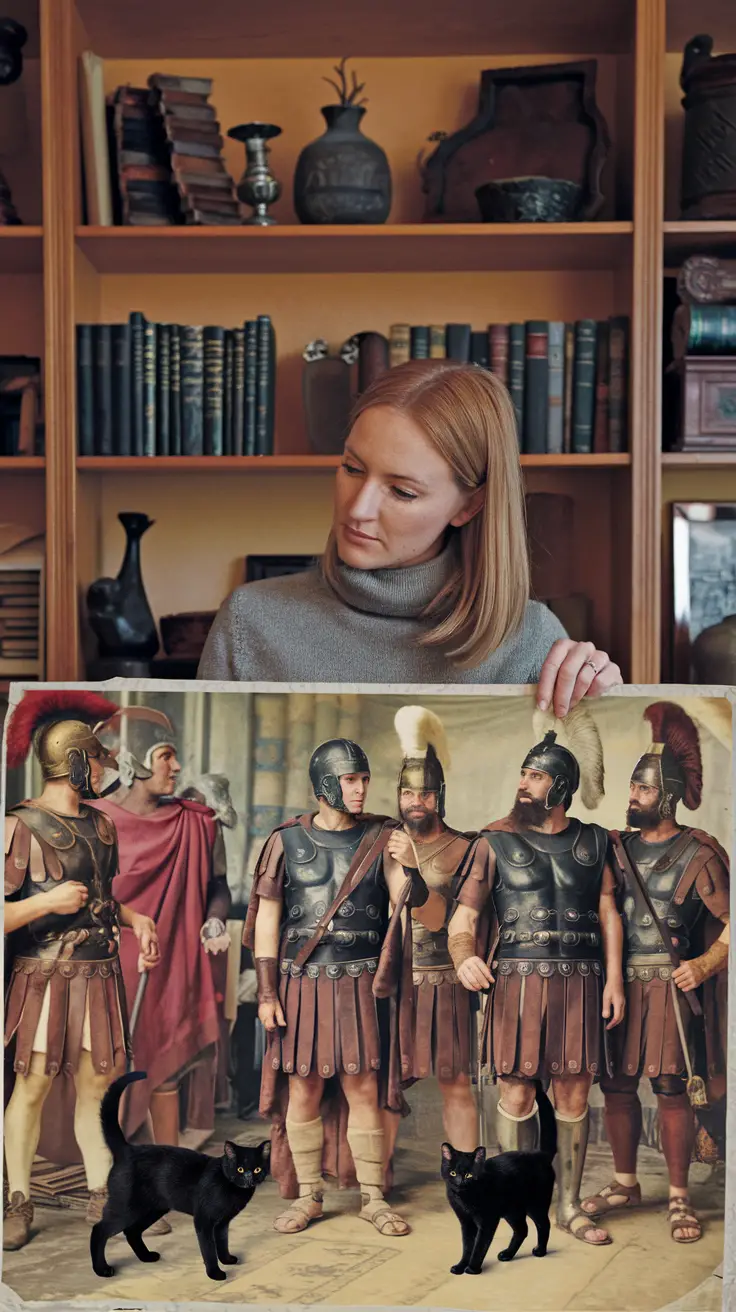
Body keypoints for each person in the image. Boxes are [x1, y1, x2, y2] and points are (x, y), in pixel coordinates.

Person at [198, 359, 622, 716]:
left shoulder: (532, 641)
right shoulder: (249, 621)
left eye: (402, 491)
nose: (357, 508)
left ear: (469, 507)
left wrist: (611, 705)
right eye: (352, 468)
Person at [243, 737, 445, 1238]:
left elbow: (410, 901)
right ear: (325, 784)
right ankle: (310, 1193)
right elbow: (267, 923)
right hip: (301, 982)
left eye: (364, 780)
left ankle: (373, 1196)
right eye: (351, 780)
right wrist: (267, 995)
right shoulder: (283, 842)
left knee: (362, 1087)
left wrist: (412, 862)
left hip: (361, 982)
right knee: (304, 1088)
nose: (361, 790)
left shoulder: (384, 837)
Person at [447, 706, 626, 1246]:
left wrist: (615, 981)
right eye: (524, 773)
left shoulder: (595, 842)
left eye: (536, 775)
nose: (523, 783)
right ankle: (513, 1197)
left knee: (573, 1095)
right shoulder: (491, 843)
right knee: (517, 1091)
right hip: (515, 984)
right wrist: (463, 958)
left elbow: (609, 914)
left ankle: (570, 1205)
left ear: (562, 786)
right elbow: (465, 920)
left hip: (580, 982)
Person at [2, 691, 159, 1251]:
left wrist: (137, 919)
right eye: (96, 759)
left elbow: (100, 901)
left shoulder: (102, 826)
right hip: (43, 976)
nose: (102, 769)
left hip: (98, 974)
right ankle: (18, 1200)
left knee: (97, 1088)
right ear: (73, 762)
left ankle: (102, 1193)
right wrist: (45, 904)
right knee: (34, 1085)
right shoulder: (18, 826)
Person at [581, 702, 729, 1244]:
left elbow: (731, 924)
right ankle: (625, 1183)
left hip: (670, 989)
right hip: (619, 984)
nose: (632, 797)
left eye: (642, 790)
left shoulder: (700, 854)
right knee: (615, 1084)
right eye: (631, 788)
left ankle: (677, 1195)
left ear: (665, 796)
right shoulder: (614, 849)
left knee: (669, 1088)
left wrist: (704, 964)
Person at [91, 706, 231, 1158]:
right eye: (165, 755)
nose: (176, 767)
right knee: (107, 1069)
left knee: (166, 1068)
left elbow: (218, 887)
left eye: (175, 756)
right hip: (107, 963)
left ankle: (169, 1181)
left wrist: (213, 918)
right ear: (133, 759)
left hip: (172, 963)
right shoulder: (92, 822)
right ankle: (115, 1178)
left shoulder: (198, 821)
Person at [383, 703, 482, 1154]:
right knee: (384, 1085)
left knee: (455, 1083)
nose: (415, 802)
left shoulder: (465, 849)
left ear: (438, 795)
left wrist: (410, 866)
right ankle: (374, 1187)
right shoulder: (378, 845)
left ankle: (469, 1177)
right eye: (407, 793)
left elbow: (442, 918)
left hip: (444, 980)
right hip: (391, 981)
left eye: (424, 794)